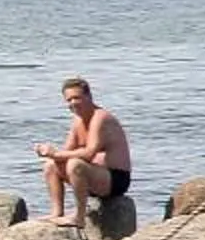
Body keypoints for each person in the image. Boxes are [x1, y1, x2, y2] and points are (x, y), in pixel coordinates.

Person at [35, 76, 132, 225]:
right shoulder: (78, 121)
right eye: (69, 100)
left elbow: (89, 153)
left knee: (75, 164)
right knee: (50, 165)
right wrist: (49, 153)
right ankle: (56, 212)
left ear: (88, 96)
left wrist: (55, 153)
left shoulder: (100, 118)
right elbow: (64, 153)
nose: (73, 103)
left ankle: (79, 217)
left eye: (77, 98)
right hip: (93, 177)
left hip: (115, 179)